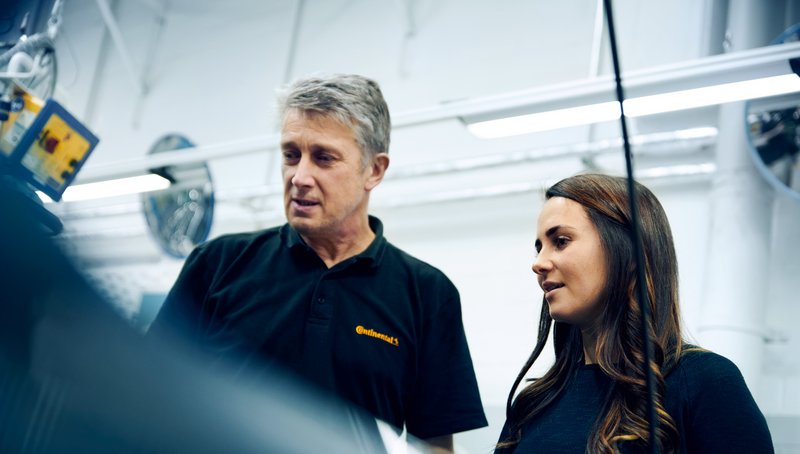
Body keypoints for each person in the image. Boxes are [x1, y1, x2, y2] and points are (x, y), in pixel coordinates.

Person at [148, 73, 487, 452]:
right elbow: (149, 395)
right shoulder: (216, 265)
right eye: (291, 155)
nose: (300, 177)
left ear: (373, 170)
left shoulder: (427, 294)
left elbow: (436, 444)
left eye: (324, 158)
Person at [495, 173, 773, 453]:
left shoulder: (705, 381)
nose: (539, 263)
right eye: (539, 247)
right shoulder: (533, 402)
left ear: (627, 251)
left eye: (561, 241)